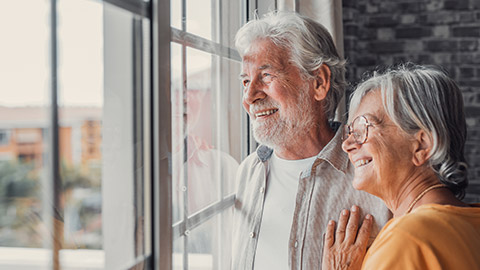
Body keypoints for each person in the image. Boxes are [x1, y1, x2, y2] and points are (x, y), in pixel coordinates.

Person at [231, 11, 391, 270]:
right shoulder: (248, 172)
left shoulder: (374, 177)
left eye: (266, 76)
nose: (249, 96)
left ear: (319, 82)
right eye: (246, 81)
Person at [322, 64, 480, 270]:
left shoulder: (406, 240)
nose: (347, 144)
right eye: (350, 132)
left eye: (362, 128)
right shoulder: (471, 224)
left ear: (421, 145)